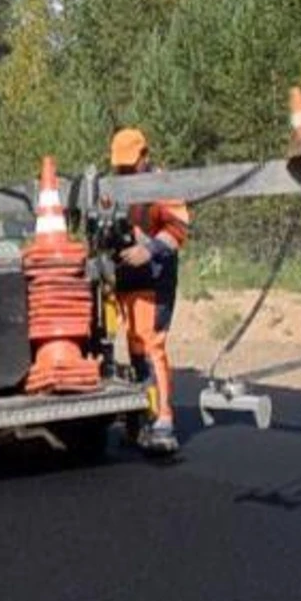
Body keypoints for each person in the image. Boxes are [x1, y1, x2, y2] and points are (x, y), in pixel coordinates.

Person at [109, 127, 188, 455]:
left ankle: (163, 420)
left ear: (145, 156)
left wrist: (149, 250)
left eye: (130, 165)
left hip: (154, 277)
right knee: (135, 347)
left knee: (151, 345)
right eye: (121, 167)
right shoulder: (114, 185)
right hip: (127, 278)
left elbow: (179, 229)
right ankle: (145, 411)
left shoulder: (162, 186)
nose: (126, 171)